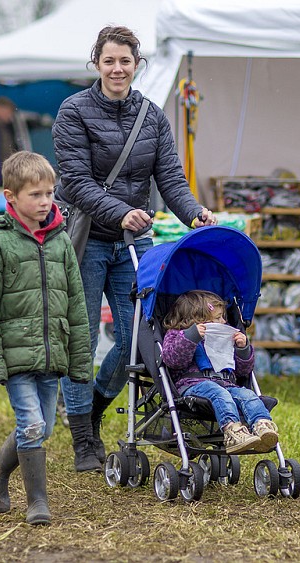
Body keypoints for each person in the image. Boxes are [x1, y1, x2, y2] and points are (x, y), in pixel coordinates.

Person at [53, 25, 216, 472]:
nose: (117, 69)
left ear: (137, 65)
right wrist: (121, 211)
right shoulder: (73, 112)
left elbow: (171, 179)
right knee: (81, 340)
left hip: (133, 242)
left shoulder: (152, 116)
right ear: (96, 64)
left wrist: (195, 213)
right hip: (86, 239)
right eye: (109, 61)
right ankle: (83, 440)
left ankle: (93, 409)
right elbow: (75, 182)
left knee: (138, 340)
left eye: (125, 61)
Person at [0, 151, 93, 525]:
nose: (45, 202)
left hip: (52, 353)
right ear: (11, 196)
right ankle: (37, 502)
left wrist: (79, 357)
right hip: (16, 355)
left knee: (44, 426)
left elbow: (76, 303)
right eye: (35, 195)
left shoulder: (61, 242)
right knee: (33, 425)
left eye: (50, 194)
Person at [160, 290, 279, 454]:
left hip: (226, 383)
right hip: (194, 385)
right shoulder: (176, 335)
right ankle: (233, 431)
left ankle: (262, 426)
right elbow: (173, 360)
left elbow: (243, 371)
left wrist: (242, 349)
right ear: (198, 319)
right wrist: (191, 337)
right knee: (219, 393)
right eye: (218, 318)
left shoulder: (226, 337)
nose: (224, 322)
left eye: (223, 317)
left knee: (247, 395)